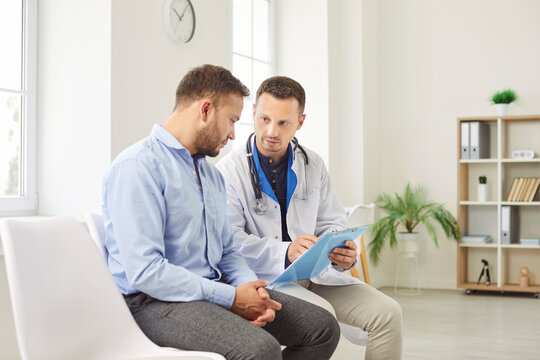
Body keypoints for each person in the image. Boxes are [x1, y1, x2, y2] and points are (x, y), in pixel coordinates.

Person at [101, 65, 340, 360]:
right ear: (205, 110)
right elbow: (145, 272)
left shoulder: (210, 176)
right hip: (154, 303)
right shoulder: (138, 167)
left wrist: (248, 288)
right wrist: (231, 298)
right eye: (231, 121)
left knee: (322, 328)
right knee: (260, 349)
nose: (231, 135)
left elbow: (227, 251)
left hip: (213, 289)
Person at [216, 76, 403, 360]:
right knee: (321, 317)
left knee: (388, 314)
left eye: (283, 123)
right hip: (267, 279)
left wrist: (344, 252)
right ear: (253, 112)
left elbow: (333, 222)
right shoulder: (229, 170)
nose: (271, 131)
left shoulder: (312, 163)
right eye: (265, 118)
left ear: (300, 122)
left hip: (315, 275)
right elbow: (229, 240)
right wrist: (285, 251)